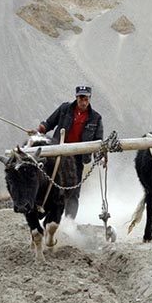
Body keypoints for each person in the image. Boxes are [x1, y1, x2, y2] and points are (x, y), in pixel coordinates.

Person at [36, 85, 104, 220]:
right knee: (51, 185)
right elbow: (49, 123)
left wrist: (99, 156)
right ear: (76, 97)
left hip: (77, 158)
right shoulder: (64, 109)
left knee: (73, 191)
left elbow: (98, 141)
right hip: (57, 154)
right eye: (81, 98)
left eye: (86, 99)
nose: (83, 102)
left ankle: (69, 223)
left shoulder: (96, 118)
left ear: (90, 99)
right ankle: (43, 214)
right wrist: (39, 130)